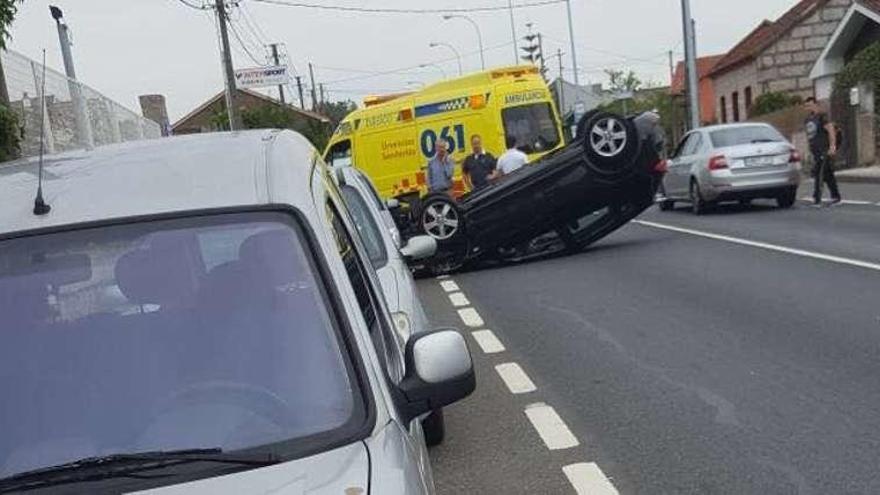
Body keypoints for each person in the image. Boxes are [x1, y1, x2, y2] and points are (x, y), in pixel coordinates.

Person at [804, 97, 841, 206]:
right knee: (828, 173)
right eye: (806, 106)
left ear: (816, 105)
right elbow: (809, 136)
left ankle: (817, 198)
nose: (808, 107)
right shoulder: (808, 119)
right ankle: (836, 196)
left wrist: (832, 146)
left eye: (810, 105)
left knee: (819, 173)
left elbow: (831, 131)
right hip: (815, 151)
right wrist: (809, 150)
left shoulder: (822, 117)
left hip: (824, 150)